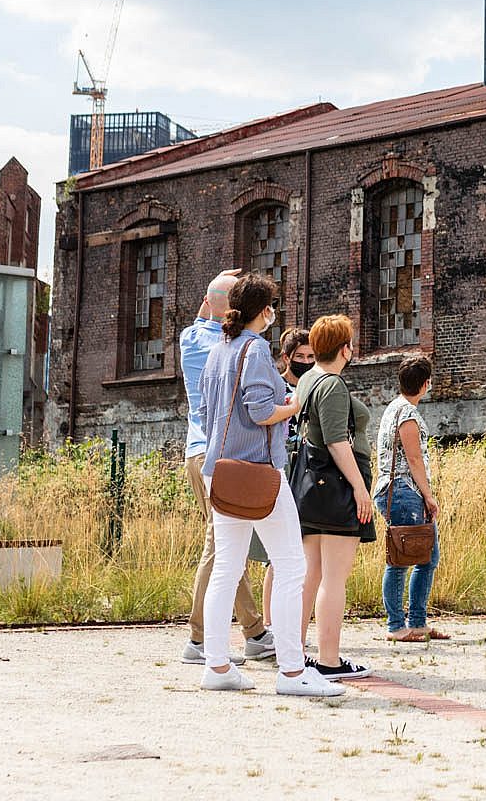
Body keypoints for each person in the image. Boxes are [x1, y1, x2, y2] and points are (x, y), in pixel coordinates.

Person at [198, 272, 341, 696]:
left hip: (219, 470)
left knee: (227, 567)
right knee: (291, 566)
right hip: (258, 470)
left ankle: (217, 665)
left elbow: (206, 411)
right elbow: (261, 411)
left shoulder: (218, 349)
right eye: (272, 307)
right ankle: (292, 673)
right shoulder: (256, 349)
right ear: (264, 311)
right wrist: (292, 405)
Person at [179, 268, 273, 666]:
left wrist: (214, 286)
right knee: (219, 547)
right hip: (222, 453)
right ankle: (198, 641)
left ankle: (253, 631)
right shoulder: (233, 344)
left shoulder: (190, 339)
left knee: (226, 546)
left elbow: (206, 312)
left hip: (196, 451)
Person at [291, 313, 376, 680]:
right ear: (346, 348)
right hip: (337, 485)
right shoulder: (334, 385)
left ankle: (295, 653)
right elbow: (337, 441)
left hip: (309, 485)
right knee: (333, 579)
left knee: (310, 574)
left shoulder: (307, 380)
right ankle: (329, 660)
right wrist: (360, 488)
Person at [374, 354, 445, 643]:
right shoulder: (408, 415)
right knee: (402, 560)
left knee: (426, 556)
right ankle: (397, 626)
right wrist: (429, 496)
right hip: (403, 491)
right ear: (426, 384)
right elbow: (414, 459)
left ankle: (416, 622)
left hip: (398, 491)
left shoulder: (395, 407)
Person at [255, 326, 315, 629]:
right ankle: (268, 623)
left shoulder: (314, 387)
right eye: (300, 356)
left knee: (300, 551)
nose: (306, 361)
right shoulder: (277, 388)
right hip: (282, 466)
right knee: (276, 556)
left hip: (307, 471)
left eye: (311, 356)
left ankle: (292, 621)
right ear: (286, 357)